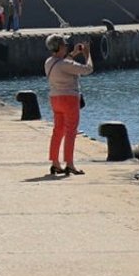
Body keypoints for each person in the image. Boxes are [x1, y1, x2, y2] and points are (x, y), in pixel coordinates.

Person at [44, 34, 93, 176]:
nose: (66, 46)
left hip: (55, 99)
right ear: (59, 47)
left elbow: (62, 64)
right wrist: (87, 54)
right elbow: (88, 69)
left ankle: (55, 163)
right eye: (65, 45)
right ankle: (70, 164)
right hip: (69, 99)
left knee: (57, 131)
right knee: (71, 131)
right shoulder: (65, 64)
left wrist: (73, 54)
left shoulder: (49, 62)